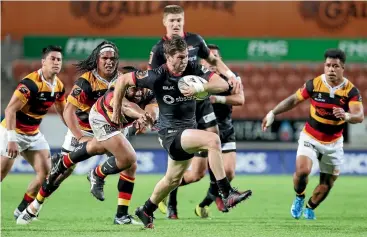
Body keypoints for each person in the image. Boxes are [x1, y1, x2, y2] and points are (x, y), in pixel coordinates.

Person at [112, 35, 252, 228]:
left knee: (172, 180)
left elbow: (222, 85)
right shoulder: (157, 75)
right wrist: (116, 110)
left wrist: (201, 87)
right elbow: (123, 81)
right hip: (171, 133)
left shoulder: (193, 68)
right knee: (213, 140)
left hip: (187, 132)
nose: (184, 60)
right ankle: (227, 193)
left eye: (186, 56)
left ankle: (145, 210)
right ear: (168, 58)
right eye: (179, 57)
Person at [16, 65, 155, 225]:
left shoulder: (140, 88)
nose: (109, 62)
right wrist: (79, 137)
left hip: (112, 129)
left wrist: (147, 118)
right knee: (62, 173)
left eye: (112, 58)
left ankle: (121, 215)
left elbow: (150, 107)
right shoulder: (90, 82)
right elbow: (69, 111)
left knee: (129, 165)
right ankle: (35, 205)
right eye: (105, 58)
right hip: (86, 128)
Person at [149, 4, 241, 219]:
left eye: (179, 20)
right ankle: (169, 197)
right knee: (188, 169)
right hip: (177, 109)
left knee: (212, 143)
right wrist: (152, 110)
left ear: (183, 21)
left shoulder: (196, 41)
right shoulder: (158, 49)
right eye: (171, 21)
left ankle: (218, 193)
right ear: (164, 22)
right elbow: (152, 81)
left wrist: (230, 76)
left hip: (200, 101)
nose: (175, 24)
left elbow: (213, 61)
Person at [262, 49, 364, 220]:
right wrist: (273, 113)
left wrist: (346, 116)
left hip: (334, 143)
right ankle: (299, 197)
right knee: (302, 172)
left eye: (335, 66)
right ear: (324, 66)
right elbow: (293, 100)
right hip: (310, 137)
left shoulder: (350, 91)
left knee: (327, 184)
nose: (331, 69)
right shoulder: (314, 84)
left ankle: (310, 207)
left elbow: (359, 116)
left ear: (343, 68)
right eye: (328, 65)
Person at [0, 45, 66, 220]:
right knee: (1, 173)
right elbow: (9, 111)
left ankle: (21, 210)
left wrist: (76, 132)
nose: (56, 62)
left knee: (46, 174)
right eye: (52, 59)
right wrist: (12, 140)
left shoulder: (59, 85)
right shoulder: (30, 84)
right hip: (12, 131)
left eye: (59, 59)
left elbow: (63, 111)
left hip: (33, 134)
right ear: (43, 62)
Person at [194, 44, 244, 218]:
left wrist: (218, 98)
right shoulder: (196, 79)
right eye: (208, 58)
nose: (212, 61)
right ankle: (170, 194)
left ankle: (205, 203)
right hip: (202, 130)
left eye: (215, 57)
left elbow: (240, 99)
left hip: (224, 128)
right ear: (202, 61)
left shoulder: (232, 78)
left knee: (229, 172)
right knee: (195, 174)